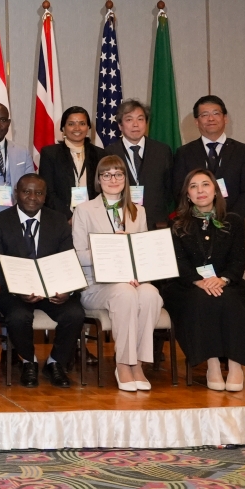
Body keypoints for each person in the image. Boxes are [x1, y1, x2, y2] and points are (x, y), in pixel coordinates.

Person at [161, 169, 245, 391]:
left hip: (226, 283)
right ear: (187, 195)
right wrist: (198, 281)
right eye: (193, 186)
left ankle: (235, 365)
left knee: (228, 299)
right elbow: (178, 262)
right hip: (187, 286)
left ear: (215, 191)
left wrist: (223, 279)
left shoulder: (233, 221)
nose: (200, 190)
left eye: (205, 184)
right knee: (202, 299)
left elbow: (238, 260)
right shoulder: (177, 224)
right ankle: (211, 365)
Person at [72, 155, 162, 392]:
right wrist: (109, 247)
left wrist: (138, 274)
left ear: (125, 178)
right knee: (124, 293)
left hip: (131, 281)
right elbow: (77, 255)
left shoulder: (138, 211)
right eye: (107, 174)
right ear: (98, 179)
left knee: (151, 294)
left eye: (118, 174)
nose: (113, 179)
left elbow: (142, 253)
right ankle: (123, 364)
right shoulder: (84, 210)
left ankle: (138, 364)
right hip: (96, 285)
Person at [0, 173, 84, 388]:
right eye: (27, 192)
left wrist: (66, 289)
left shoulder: (58, 221)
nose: (32, 197)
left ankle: (55, 362)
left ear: (45, 196)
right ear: (16, 194)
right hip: (14, 292)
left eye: (39, 193)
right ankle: (28, 361)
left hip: (52, 290)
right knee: (18, 316)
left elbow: (67, 259)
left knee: (75, 313)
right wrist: (18, 290)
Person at [172, 95, 245, 218]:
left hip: (232, 223)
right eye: (204, 115)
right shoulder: (184, 152)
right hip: (195, 223)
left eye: (216, 113)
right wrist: (198, 217)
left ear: (225, 118)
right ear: (196, 122)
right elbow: (179, 191)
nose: (211, 119)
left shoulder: (241, 151)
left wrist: (232, 219)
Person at [105, 100, 174, 229]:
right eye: (129, 120)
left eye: (140, 119)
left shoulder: (162, 151)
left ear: (146, 123)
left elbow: (169, 188)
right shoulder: (109, 153)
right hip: (121, 221)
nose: (135, 124)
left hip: (155, 222)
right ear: (120, 125)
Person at [38, 107, 106, 218]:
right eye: (71, 124)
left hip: (93, 216)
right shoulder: (50, 154)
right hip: (60, 218)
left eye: (82, 123)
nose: (77, 128)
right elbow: (48, 191)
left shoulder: (100, 154)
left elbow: (104, 188)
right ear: (63, 128)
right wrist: (68, 217)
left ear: (88, 127)